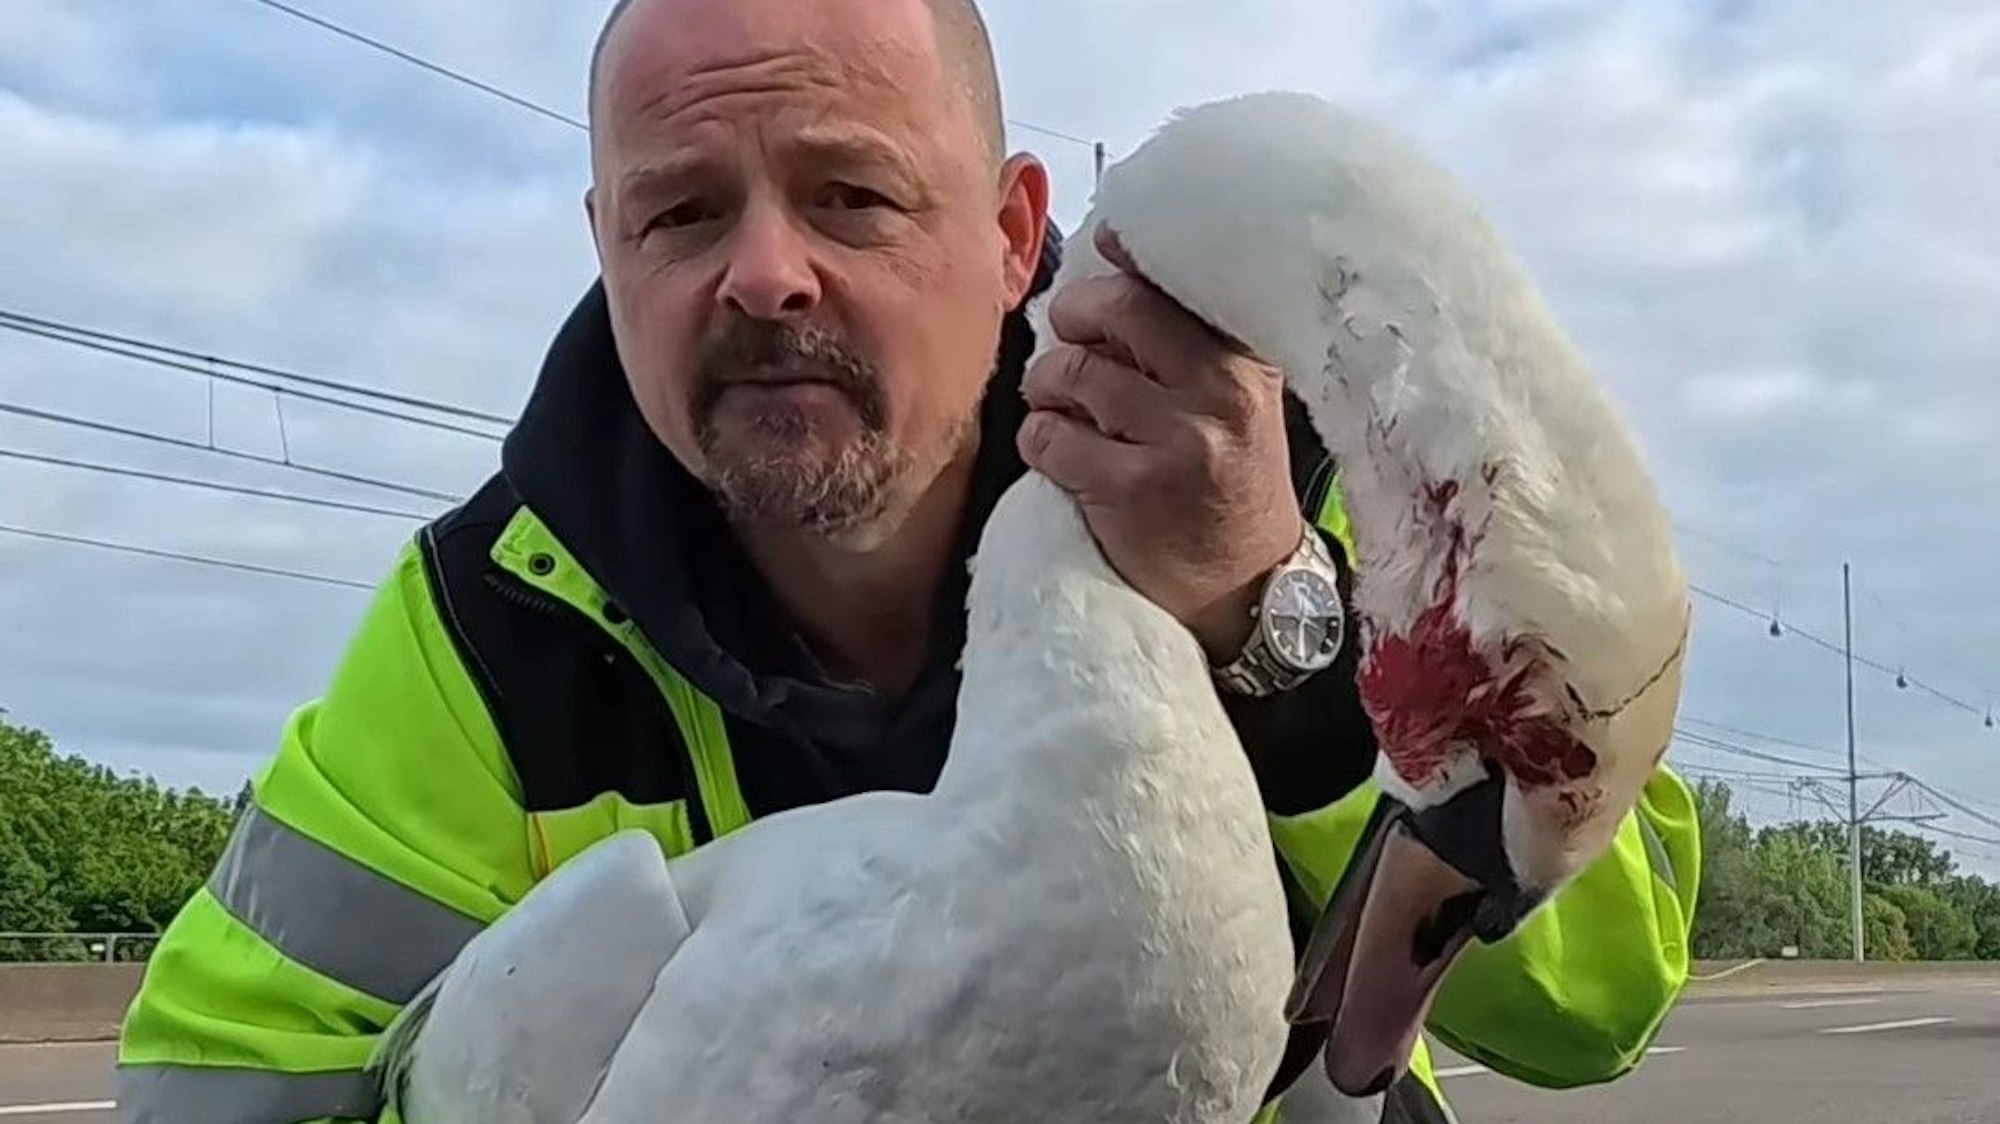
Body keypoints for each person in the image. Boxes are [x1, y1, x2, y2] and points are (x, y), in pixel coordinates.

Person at [114, 0, 1701, 1120]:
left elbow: (1586, 1012)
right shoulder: (488, 625)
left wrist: (1260, 630)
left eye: (850, 196)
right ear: (604, 245)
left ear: (1017, 235)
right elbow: (209, 1090)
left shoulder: (1327, 524)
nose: (764, 277)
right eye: (679, 217)